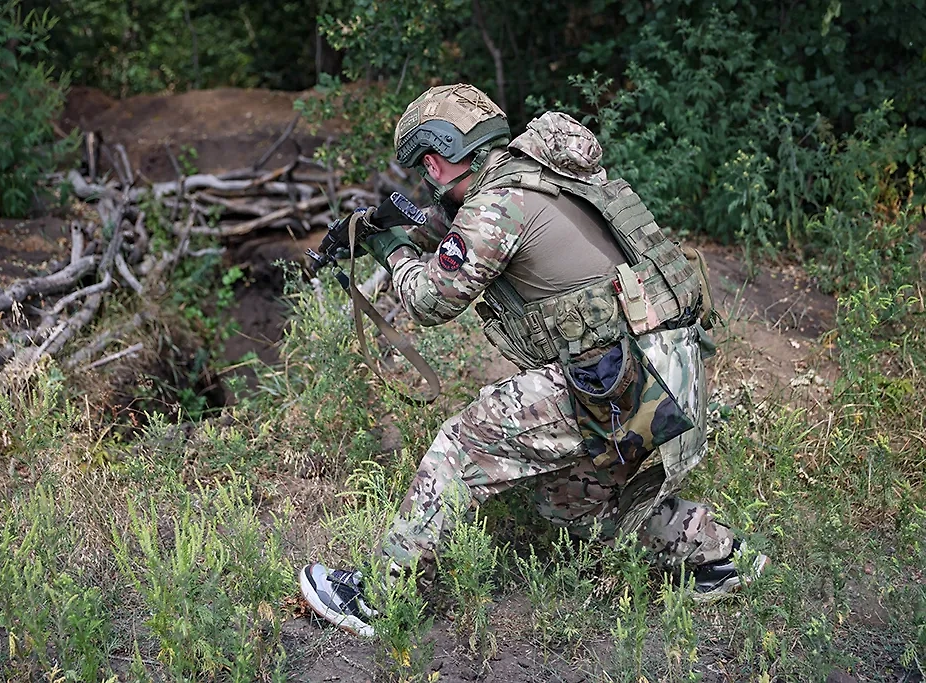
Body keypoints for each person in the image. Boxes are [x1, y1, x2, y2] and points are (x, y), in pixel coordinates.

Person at [299, 84, 768, 637]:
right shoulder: (541, 176)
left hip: (624, 375)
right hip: (666, 371)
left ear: (435, 160)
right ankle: (719, 556)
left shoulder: (497, 205)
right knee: (569, 500)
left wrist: (391, 249)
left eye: (427, 173)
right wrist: (405, 224)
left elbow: (429, 300)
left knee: (465, 444)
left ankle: (379, 596)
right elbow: (473, 235)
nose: (428, 185)